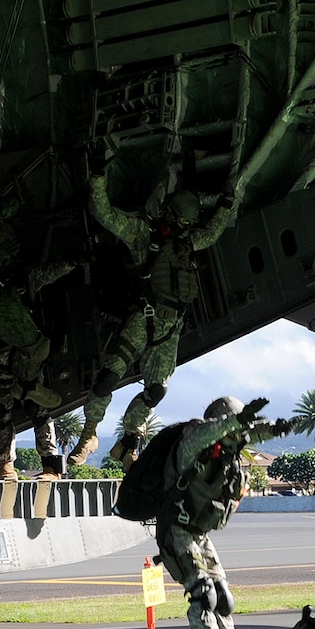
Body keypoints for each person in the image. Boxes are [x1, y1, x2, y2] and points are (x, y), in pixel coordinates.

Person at [70, 160, 236, 466]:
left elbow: (211, 233)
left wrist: (227, 203)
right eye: (181, 222)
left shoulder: (187, 242)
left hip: (171, 327)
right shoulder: (142, 235)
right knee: (107, 379)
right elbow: (104, 213)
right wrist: (96, 178)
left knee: (157, 390)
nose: (183, 229)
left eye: (187, 225)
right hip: (144, 318)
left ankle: (129, 439)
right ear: (169, 214)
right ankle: (89, 434)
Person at [137, 396, 288, 629]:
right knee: (203, 595)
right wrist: (237, 420)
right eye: (234, 430)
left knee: (222, 597)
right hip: (176, 530)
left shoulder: (224, 451)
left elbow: (248, 433)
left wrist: (279, 428)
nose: (238, 439)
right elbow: (213, 430)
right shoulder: (193, 441)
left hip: (199, 534)